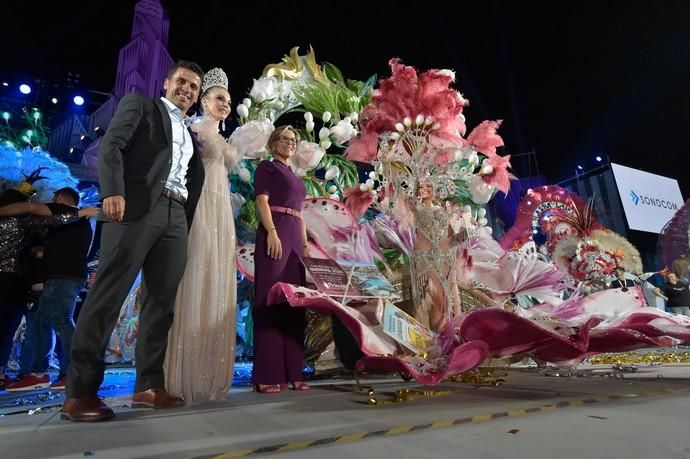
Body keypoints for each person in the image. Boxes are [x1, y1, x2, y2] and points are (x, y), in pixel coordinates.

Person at [61, 60, 205, 422]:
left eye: (194, 87)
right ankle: (79, 393)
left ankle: (148, 386)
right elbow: (111, 146)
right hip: (136, 209)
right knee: (107, 296)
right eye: (182, 82)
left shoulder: (191, 134)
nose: (187, 90)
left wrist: (184, 226)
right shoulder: (141, 105)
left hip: (176, 216)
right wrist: (112, 191)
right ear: (167, 83)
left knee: (161, 304)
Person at [164, 68, 239, 404]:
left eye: (228, 99)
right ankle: (185, 374)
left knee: (218, 281)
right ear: (205, 100)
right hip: (202, 208)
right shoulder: (194, 129)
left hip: (222, 211)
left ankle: (211, 374)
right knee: (196, 276)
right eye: (220, 98)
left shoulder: (223, 136)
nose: (226, 104)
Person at [0, 191, 96, 390]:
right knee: (41, 322)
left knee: (61, 321)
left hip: (63, 277)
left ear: (60, 199)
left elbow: (29, 208)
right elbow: (58, 248)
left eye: (53, 199)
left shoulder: (65, 211)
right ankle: (38, 373)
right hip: (63, 277)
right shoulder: (76, 222)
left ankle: (72, 372)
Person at [252, 125, 310, 393]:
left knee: (295, 304)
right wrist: (271, 233)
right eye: (284, 139)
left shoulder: (295, 177)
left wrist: (305, 245)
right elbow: (262, 201)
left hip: (295, 240)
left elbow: (299, 212)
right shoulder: (267, 168)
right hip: (275, 232)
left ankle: (293, 372)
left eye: (293, 140)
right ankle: (267, 374)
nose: (289, 143)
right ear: (273, 142)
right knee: (270, 300)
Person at [408, 179, 462, 332]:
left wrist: (463, 236)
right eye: (421, 186)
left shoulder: (442, 209)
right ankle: (430, 336)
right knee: (433, 297)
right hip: (425, 257)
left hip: (445, 257)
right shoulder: (413, 208)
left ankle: (444, 338)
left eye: (429, 185)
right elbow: (407, 231)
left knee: (446, 299)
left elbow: (451, 234)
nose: (425, 189)